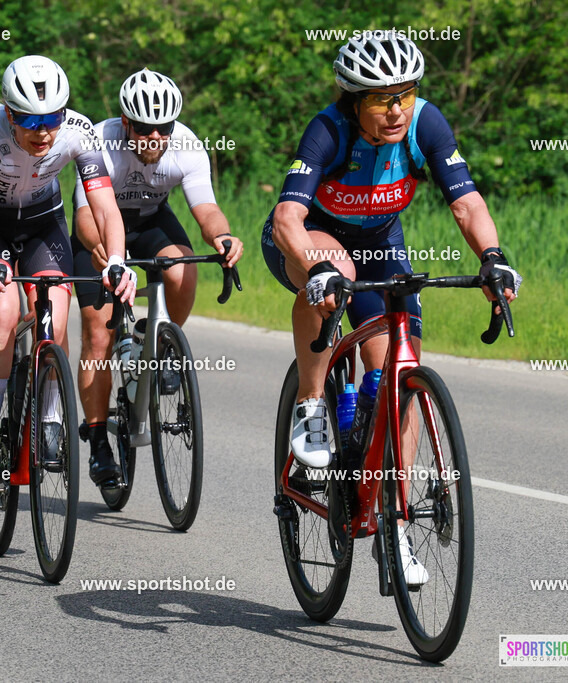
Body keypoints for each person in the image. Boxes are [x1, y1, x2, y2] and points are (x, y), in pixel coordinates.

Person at [262, 34, 521, 584]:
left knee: (398, 375)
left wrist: (493, 259)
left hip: (381, 239)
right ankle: (312, 403)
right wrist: (317, 265)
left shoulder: (426, 123)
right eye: (381, 99)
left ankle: (393, 525)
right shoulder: (328, 130)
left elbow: (466, 202)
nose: (396, 109)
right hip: (308, 237)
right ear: (354, 102)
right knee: (338, 278)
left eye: (404, 94)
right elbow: (287, 218)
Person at [0, 54, 136, 485]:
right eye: (31, 121)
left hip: (42, 221)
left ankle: (52, 417)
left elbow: (105, 206)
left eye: (53, 118)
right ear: (9, 114)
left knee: (54, 314)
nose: (44, 131)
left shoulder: (78, 130)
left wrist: (116, 259)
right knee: (4, 312)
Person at [72, 68, 243, 486]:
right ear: (126, 123)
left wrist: (222, 237)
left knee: (181, 266)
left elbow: (206, 210)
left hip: (150, 222)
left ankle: (159, 340)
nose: (154, 139)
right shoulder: (100, 142)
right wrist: (111, 254)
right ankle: (97, 439)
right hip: (98, 225)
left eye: (162, 129)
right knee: (98, 334)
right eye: (145, 130)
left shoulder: (186, 146)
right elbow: (82, 217)